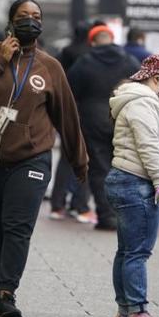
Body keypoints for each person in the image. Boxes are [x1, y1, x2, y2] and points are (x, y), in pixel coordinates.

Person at [0, 0, 88, 317]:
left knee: (17, 226)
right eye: (24, 16)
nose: (31, 21)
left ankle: (6, 292)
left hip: (31, 158)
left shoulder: (50, 67)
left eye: (36, 16)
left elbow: (67, 116)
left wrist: (79, 161)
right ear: (11, 21)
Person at [105, 54, 159, 317]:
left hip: (128, 179)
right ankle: (137, 311)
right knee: (137, 252)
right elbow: (148, 145)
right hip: (137, 182)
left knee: (127, 251)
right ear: (156, 77)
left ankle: (126, 312)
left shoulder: (136, 100)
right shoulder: (143, 102)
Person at [68, 24, 140, 231]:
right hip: (121, 119)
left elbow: (71, 91)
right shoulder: (129, 60)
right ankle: (123, 215)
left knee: (100, 169)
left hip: (92, 120)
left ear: (93, 41)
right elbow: (140, 86)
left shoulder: (84, 62)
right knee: (123, 167)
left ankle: (106, 215)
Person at [49, 21, 94, 223]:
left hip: (66, 111)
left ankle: (57, 204)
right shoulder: (91, 56)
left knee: (65, 160)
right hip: (87, 115)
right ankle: (80, 204)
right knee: (84, 159)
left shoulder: (66, 52)